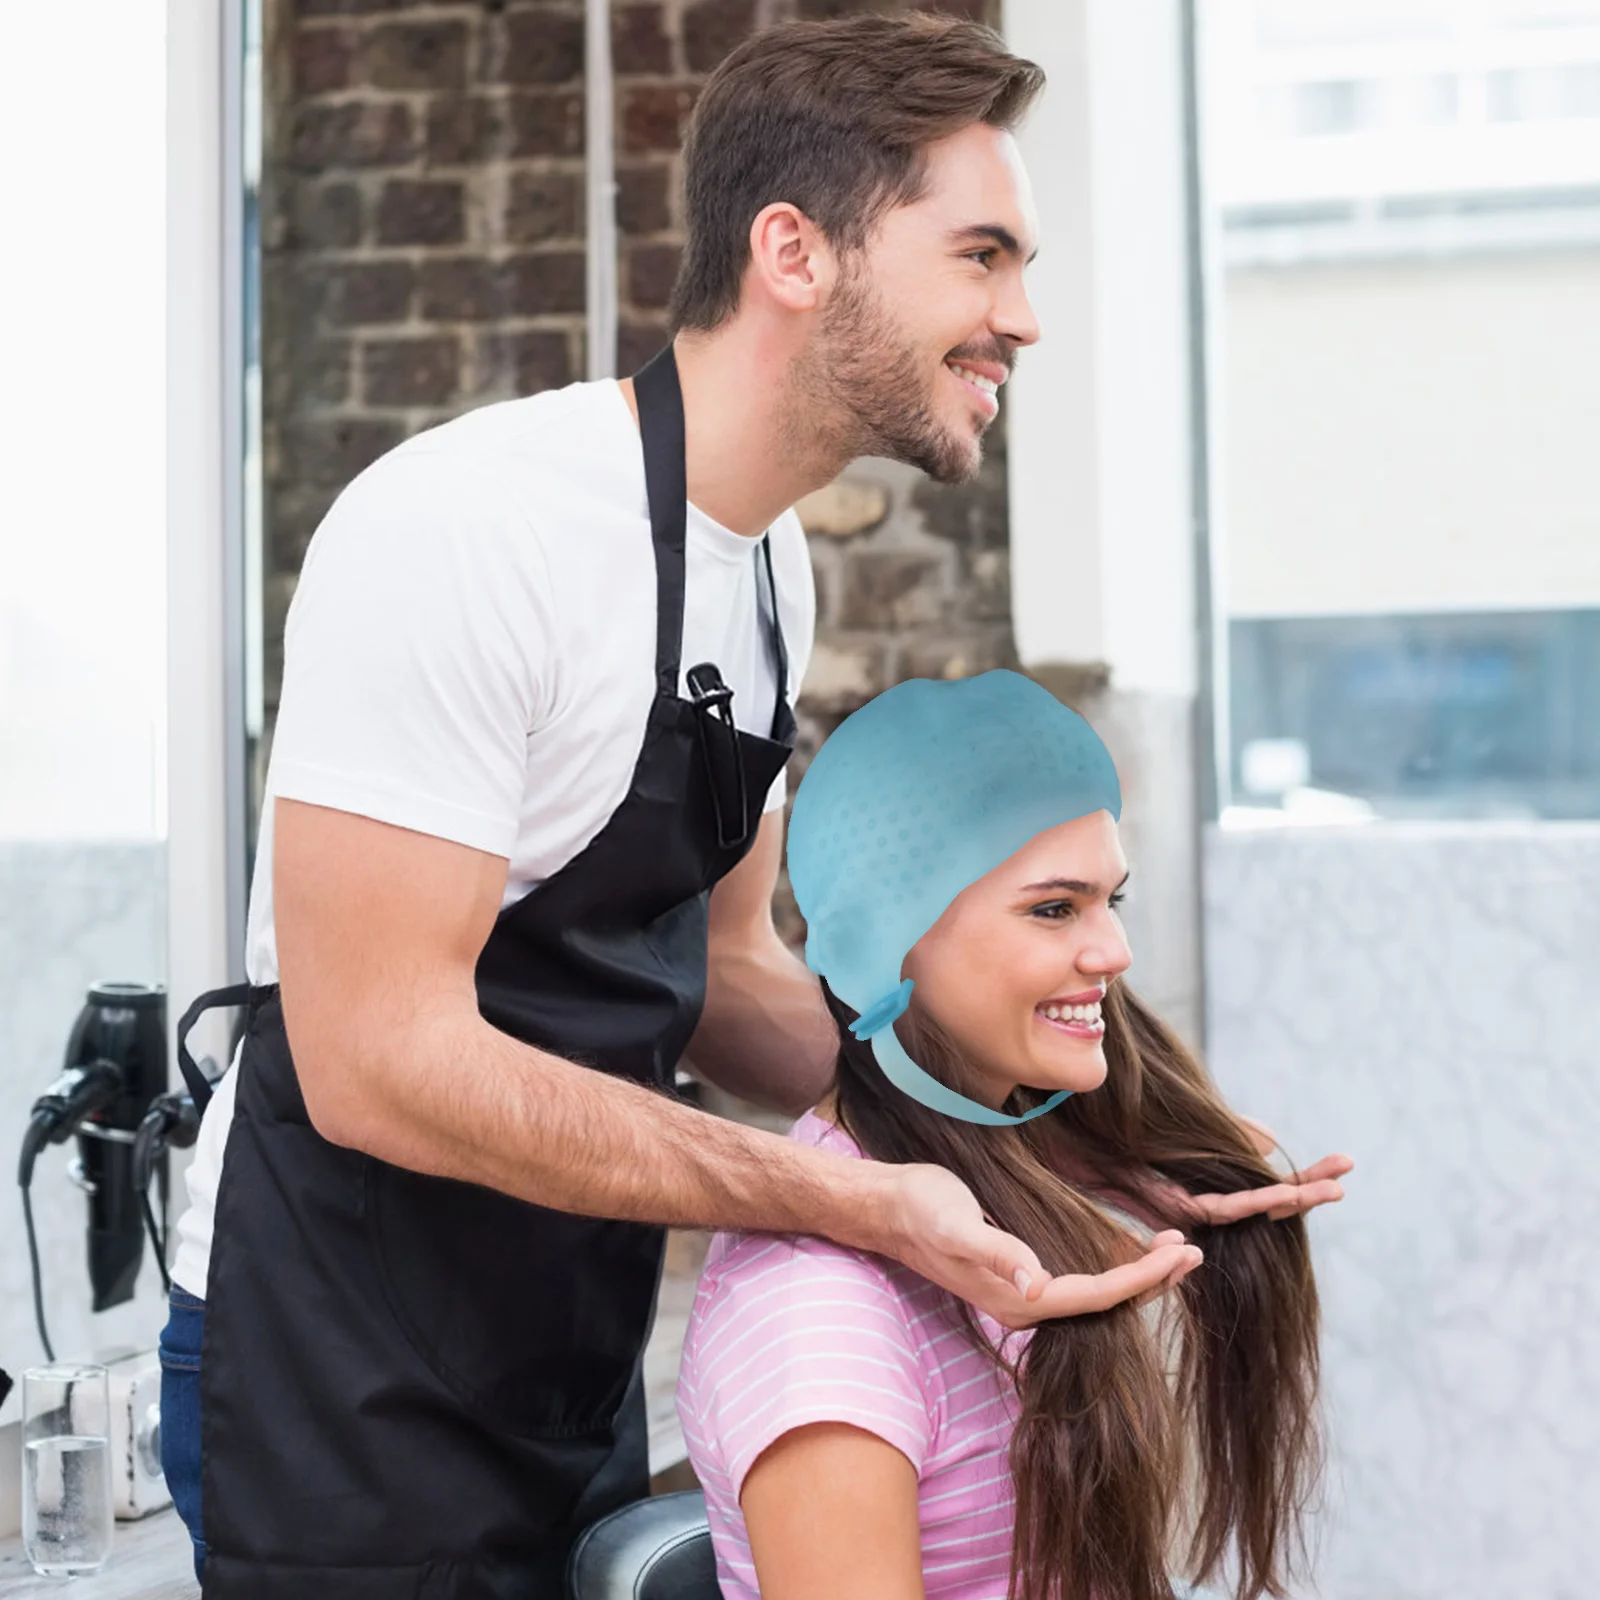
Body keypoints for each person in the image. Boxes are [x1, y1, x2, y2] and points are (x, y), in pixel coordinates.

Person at [154, 17, 1239, 1596]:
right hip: (336, 1365)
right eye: (983, 256)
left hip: (558, 1350)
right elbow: (376, 1060)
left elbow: (731, 974)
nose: (1022, 318)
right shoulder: (469, 531)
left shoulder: (764, 562)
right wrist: (851, 1194)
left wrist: (1056, 1143)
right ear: (794, 251)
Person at [677, 671, 1352, 1600]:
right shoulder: (820, 1316)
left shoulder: (1020, 1196)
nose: (1113, 951)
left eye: (1109, 901)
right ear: (891, 941)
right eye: (1053, 908)